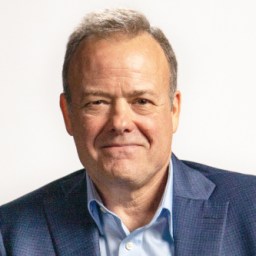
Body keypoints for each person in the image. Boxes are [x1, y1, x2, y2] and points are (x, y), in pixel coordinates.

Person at [0, 8, 255, 256]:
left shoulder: (251, 209)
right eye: (97, 102)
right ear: (68, 114)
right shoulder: (10, 234)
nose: (120, 122)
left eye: (142, 101)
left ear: (174, 110)